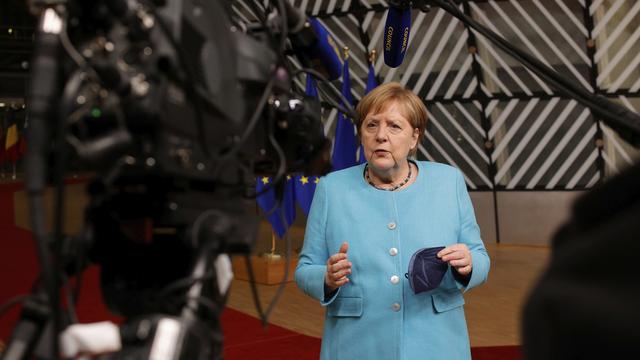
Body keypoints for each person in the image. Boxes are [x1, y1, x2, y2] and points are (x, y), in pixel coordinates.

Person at [295, 82, 490, 360]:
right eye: (371, 125)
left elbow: (481, 258)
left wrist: (468, 264)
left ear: (415, 138)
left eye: (394, 126)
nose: (381, 136)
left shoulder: (448, 181)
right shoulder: (331, 188)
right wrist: (325, 278)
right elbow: (305, 269)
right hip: (356, 346)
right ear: (361, 135)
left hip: (436, 344)